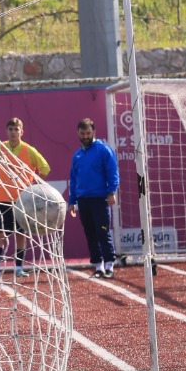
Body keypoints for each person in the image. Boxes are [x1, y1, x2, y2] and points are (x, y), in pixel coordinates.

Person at [0, 117, 51, 280]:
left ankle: (18, 267)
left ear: (21, 132)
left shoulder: (29, 150)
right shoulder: (0, 148)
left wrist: (33, 184)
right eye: (11, 129)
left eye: (16, 129)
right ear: (6, 131)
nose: (13, 132)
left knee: (20, 235)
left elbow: (45, 168)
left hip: (22, 201)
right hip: (2, 199)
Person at [68, 117, 120, 278]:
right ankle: (98, 266)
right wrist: (72, 201)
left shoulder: (103, 150)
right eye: (82, 133)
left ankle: (110, 265)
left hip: (100, 199)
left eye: (88, 133)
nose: (85, 136)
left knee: (103, 232)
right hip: (83, 201)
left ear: (94, 132)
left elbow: (112, 172)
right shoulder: (77, 155)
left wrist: (112, 192)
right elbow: (74, 179)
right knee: (90, 234)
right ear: (78, 133)